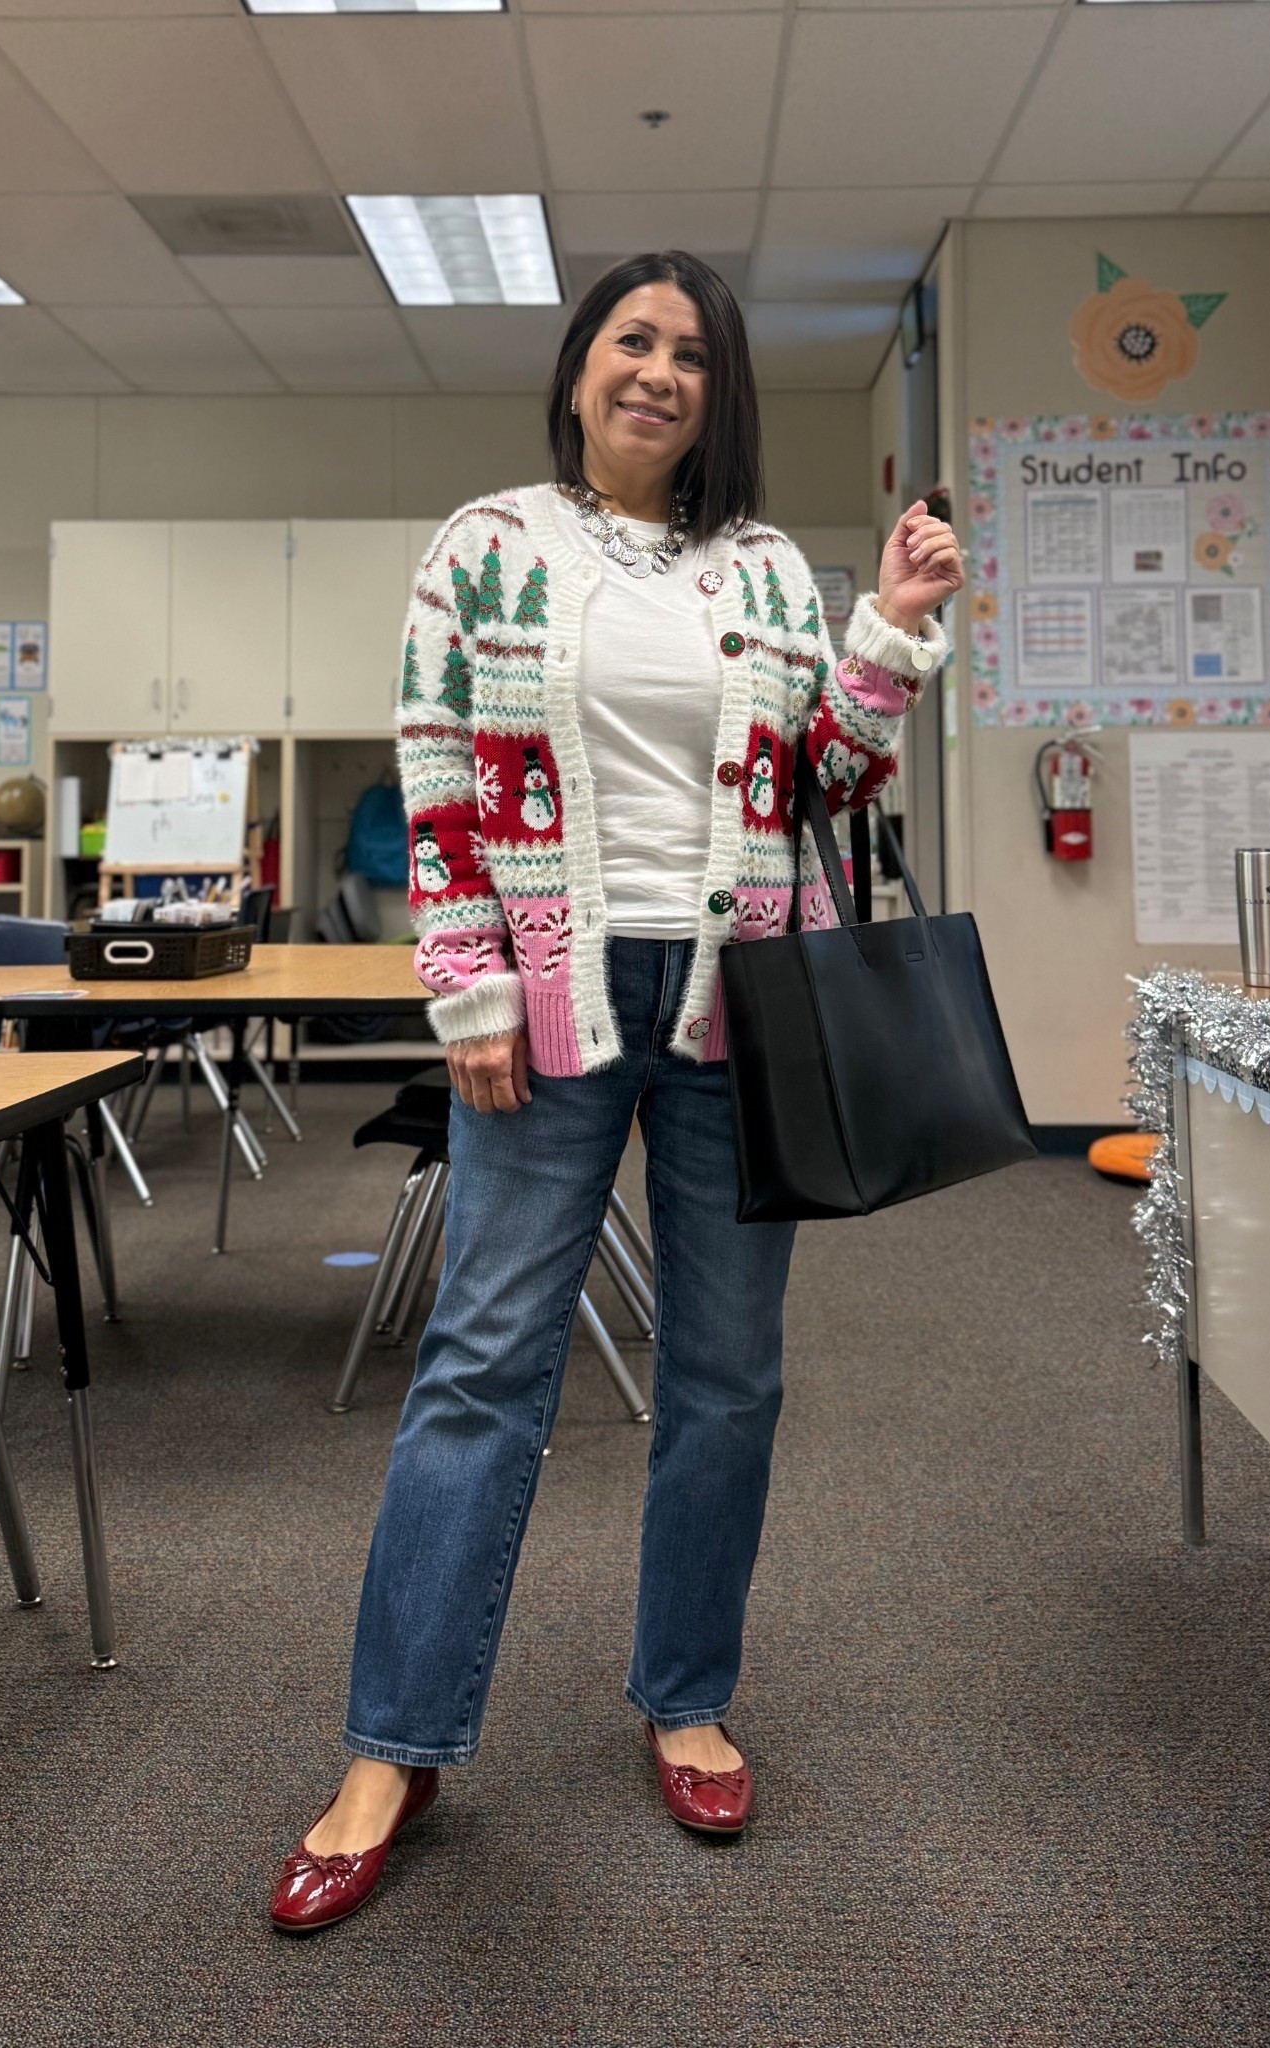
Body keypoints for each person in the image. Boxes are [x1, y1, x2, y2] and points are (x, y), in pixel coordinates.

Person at [271, 251, 963, 1934]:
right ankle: (394, 1746)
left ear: (721, 393)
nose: (659, 371)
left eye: (693, 354)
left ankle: (685, 1695)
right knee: (485, 1365)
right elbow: (434, 771)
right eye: (632, 342)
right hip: (555, 1001)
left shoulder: (772, 575)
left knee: (726, 1375)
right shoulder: (489, 546)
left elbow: (830, 785)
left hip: (749, 999)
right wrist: (471, 988)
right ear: (582, 366)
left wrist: (891, 628)